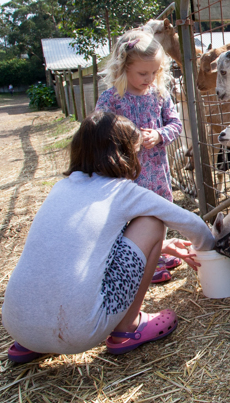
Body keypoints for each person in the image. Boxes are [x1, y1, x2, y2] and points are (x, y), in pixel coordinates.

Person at [2, 111, 215, 362]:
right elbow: (190, 222)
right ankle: (128, 327)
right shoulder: (122, 191)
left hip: (18, 326)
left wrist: (164, 247)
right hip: (79, 333)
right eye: (136, 153)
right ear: (123, 155)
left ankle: (34, 342)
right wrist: (211, 252)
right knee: (152, 223)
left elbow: (82, 245)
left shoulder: (61, 188)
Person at [95, 30, 183, 284]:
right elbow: (98, 131)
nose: (149, 78)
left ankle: (159, 251)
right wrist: (123, 142)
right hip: (127, 174)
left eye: (154, 72)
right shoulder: (111, 99)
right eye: (142, 73)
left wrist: (158, 134)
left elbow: (175, 124)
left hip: (156, 170)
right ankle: (143, 261)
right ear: (123, 68)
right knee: (133, 217)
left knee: (159, 210)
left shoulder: (159, 95)